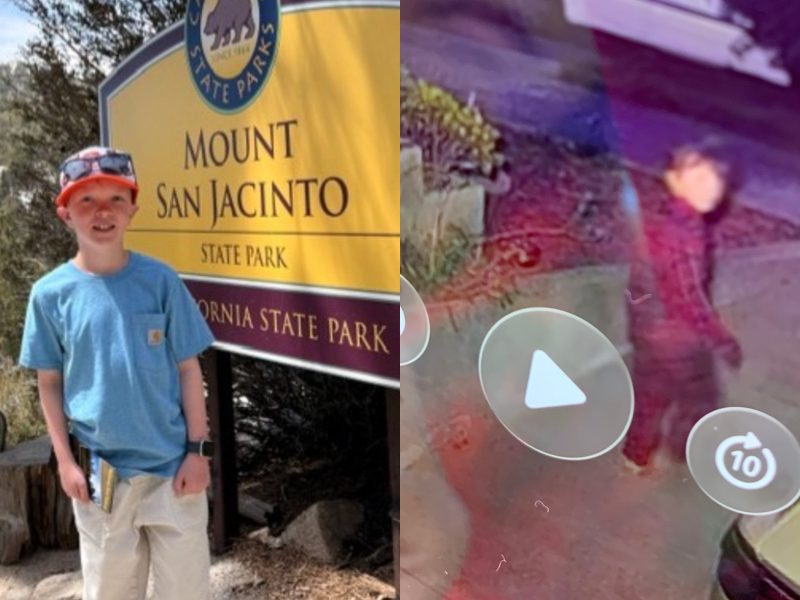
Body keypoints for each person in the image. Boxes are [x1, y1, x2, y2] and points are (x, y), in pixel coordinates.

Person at [18, 146, 215, 599]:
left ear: (133, 209)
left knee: (186, 591)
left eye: (115, 199)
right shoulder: (50, 296)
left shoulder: (161, 281)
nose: (102, 212)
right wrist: (65, 462)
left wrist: (197, 452)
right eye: (86, 200)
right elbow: (49, 383)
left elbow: (189, 368)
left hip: (173, 475)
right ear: (65, 213)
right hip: (100, 480)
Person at [622, 143, 743, 473]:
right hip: (676, 338)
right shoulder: (686, 235)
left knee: (650, 388)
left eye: (716, 178)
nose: (713, 186)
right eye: (699, 177)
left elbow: (641, 279)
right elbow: (688, 299)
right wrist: (722, 340)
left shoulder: (662, 220)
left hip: (648, 329)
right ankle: (683, 450)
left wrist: (640, 325)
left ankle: (636, 453)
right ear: (674, 180)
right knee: (700, 399)